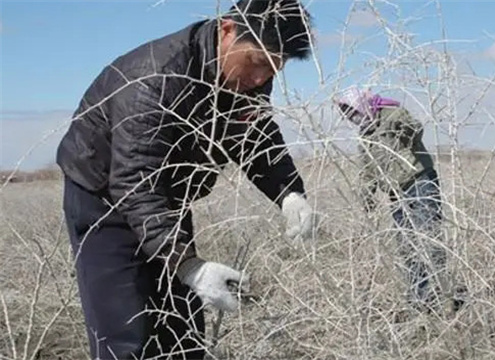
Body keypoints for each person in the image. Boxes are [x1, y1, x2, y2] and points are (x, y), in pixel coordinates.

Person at [56, 1, 319, 358]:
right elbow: (136, 181)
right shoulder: (156, 79)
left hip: (167, 197)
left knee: (182, 330)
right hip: (105, 198)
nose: (261, 79)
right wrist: (187, 264)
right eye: (257, 62)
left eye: (275, 68)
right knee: (126, 332)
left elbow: (255, 136)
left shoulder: (248, 79)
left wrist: (289, 192)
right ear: (227, 30)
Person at [334, 86, 455, 313]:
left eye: (354, 112)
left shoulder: (392, 113)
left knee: (429, 237)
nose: (353, 118)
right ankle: (420, 299)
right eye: (349, 115)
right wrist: (366, 198)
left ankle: (442, 293)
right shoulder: (366, 136)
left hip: (420, 182)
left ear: (362, 105)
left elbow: (416, 130)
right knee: (407, 245)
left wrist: (402, 129)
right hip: (396, 194)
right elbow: (368, 171)